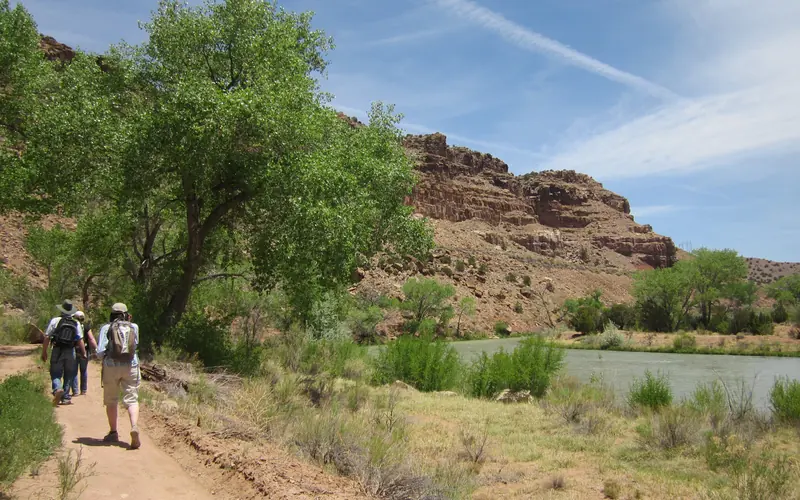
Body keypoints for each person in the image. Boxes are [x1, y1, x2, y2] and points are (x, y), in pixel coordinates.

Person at [95, 302, 141, 449]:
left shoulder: (106, 328)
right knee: (132, 398)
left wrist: (106, 360)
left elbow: (100, 351)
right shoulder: (134, 327)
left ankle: (113, 432)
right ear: (127, 314)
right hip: (131, 365)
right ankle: (134, 426)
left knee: (111, 400)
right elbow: (135, 344)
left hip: (111, 366)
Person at [41, 300, 86, 406]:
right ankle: (65, 397)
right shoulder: (76, 323)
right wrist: (83, 353)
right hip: (71, 350)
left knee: (55, 372)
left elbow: (47, 337)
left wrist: (44, 352)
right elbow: (80, 340)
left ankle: (57, 389)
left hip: (57, 349)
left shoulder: (55, 321)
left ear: (61, 310)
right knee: (69, 374)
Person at [70, 311, 97, 396]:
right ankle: (84, 390)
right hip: (84, 350)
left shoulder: (72, 326)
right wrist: (96, 349)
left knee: (74, 371)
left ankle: (75, 391)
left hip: (74, 350)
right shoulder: (86, 327)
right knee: (84, 370)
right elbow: (91, 338)